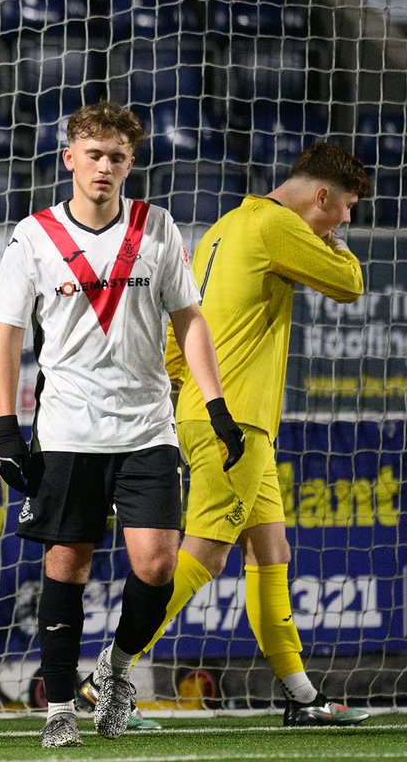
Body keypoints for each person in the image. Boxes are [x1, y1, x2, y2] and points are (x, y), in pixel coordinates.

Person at [0, 100, 245, 748]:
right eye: (93, 155)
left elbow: (190, 320)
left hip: (147, 428)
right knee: (67, 565)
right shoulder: (34, 235)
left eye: (117, 158)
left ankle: (119, 670)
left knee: (156, 565)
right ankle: (60, 709)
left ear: (131, 164)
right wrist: (6, 426)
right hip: (69, 429)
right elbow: (7, 335)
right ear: (69, 157)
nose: (104, 167)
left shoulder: (157, 228)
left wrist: (216, 407)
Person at [80, 143, 371, 726]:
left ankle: (300, 695)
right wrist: (336, 244)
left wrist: (179, 397)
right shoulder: (275, 225)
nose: (345, 221)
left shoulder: (223, 228)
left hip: (211, 410)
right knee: (207, 555)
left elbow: (180, 327)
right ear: (320, 197)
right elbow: (350, 283)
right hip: (233, 419)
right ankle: (108, 674)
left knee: (272, 551)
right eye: (345, 209)